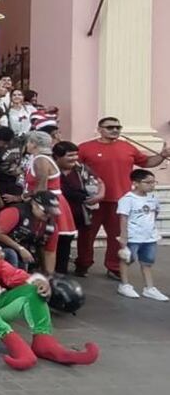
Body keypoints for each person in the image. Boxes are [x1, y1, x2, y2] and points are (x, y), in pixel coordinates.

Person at [0, 217, 98, 371]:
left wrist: (37, 282)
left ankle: (44, 342)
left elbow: (12, 274)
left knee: (33, 290)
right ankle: (14, 344)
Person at [76, 117, 169, 277]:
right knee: (86, 235)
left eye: (118, 127)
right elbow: (73, 168)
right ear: (99, 129)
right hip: (93, 200)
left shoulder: (127, 147)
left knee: (117, 237)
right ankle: (83, 264)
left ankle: (114, 268)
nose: (115, 130)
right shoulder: (85, 148)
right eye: (110, 127)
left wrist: (162, 155)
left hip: (120, 201)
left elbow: (146, 162)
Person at [23, 131, 76, 274]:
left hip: (48, 201)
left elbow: (42, 184)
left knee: (48, 238)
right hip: (50, 199)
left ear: (34, 144)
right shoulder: (42, 158)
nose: (27, 145)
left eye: (29, 142)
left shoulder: (40, 159)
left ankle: (51, 273)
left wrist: (33, 201)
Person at [115, 169, 166, 301]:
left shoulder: (153, 198)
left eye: (153, 182)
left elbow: (155, 213)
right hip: (133, 236)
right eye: (148, 182)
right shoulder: (127, 199)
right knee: (127, 260)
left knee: (147, 262)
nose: (152, 185)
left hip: (149, 237)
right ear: (136, 183)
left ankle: (149, 288)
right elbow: (123, 218)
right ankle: (124, 285)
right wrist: (124, 237)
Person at [54, 141, 102, 275]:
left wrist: (99, 195)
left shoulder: (82, 169)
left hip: (81, 211)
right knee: (61, 240)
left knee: (82, 240)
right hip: (59, 213)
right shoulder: (50, 169)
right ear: (57, 156)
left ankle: (82, 266)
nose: (74, 159)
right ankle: (57, 270)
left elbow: (98, 182)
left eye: (76, 155)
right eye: (70, 156)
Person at [0, 191, 61, 272]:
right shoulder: (15, 212)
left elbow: (50, 252)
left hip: (25, 250)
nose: (49, 215)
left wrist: (49, 276)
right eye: (46, 212)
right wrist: (20, 249)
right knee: (12, 254)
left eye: (52, 213)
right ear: (34, 205)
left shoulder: (51, 226)